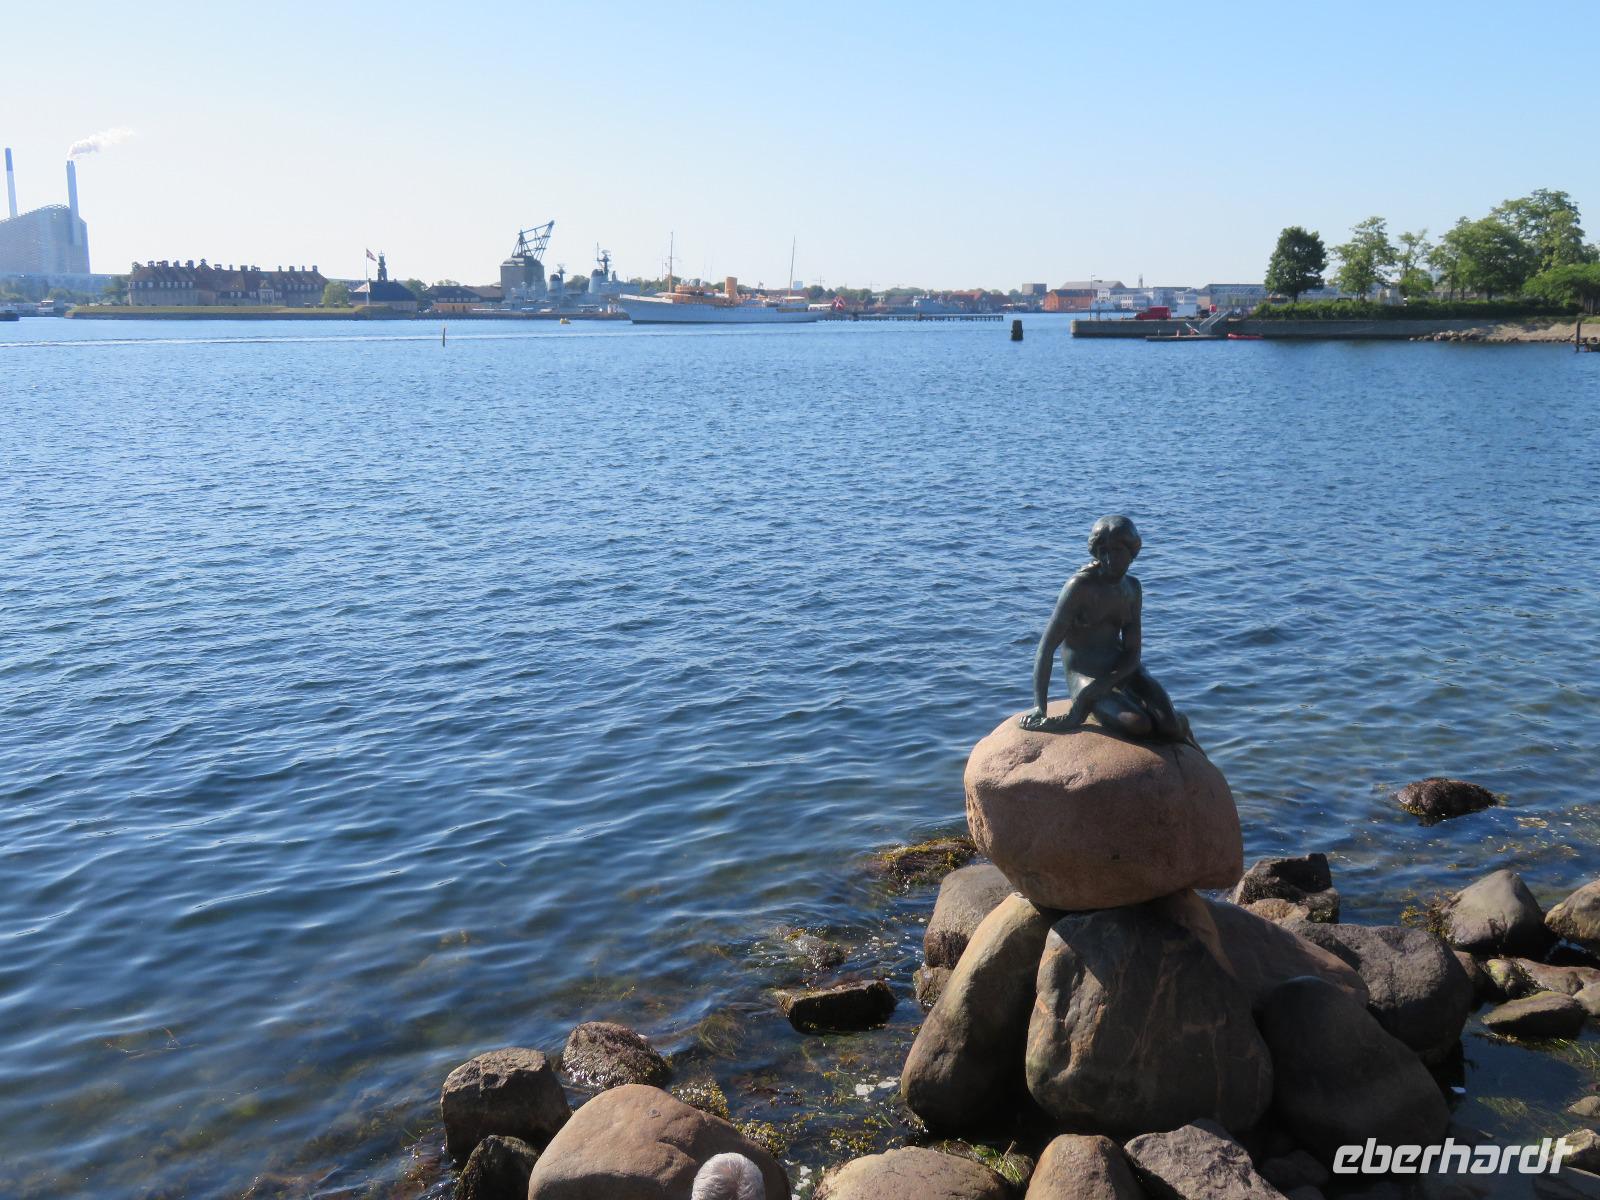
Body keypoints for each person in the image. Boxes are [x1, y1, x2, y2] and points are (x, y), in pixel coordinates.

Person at [1019, 515, 1191, 743]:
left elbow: (1132, 652)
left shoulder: (1132, 588)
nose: (1109, 559)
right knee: (1138, 724)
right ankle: (1108, 707)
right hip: (1085, 674)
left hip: (1123, 669)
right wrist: (1039, 707)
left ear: (1132, 552)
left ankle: (1181, 732)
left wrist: (1109, 682)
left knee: (1170, 726)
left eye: (1117, 551)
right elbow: (1046, 648)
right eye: (1103, 552)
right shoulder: (1080, 587)